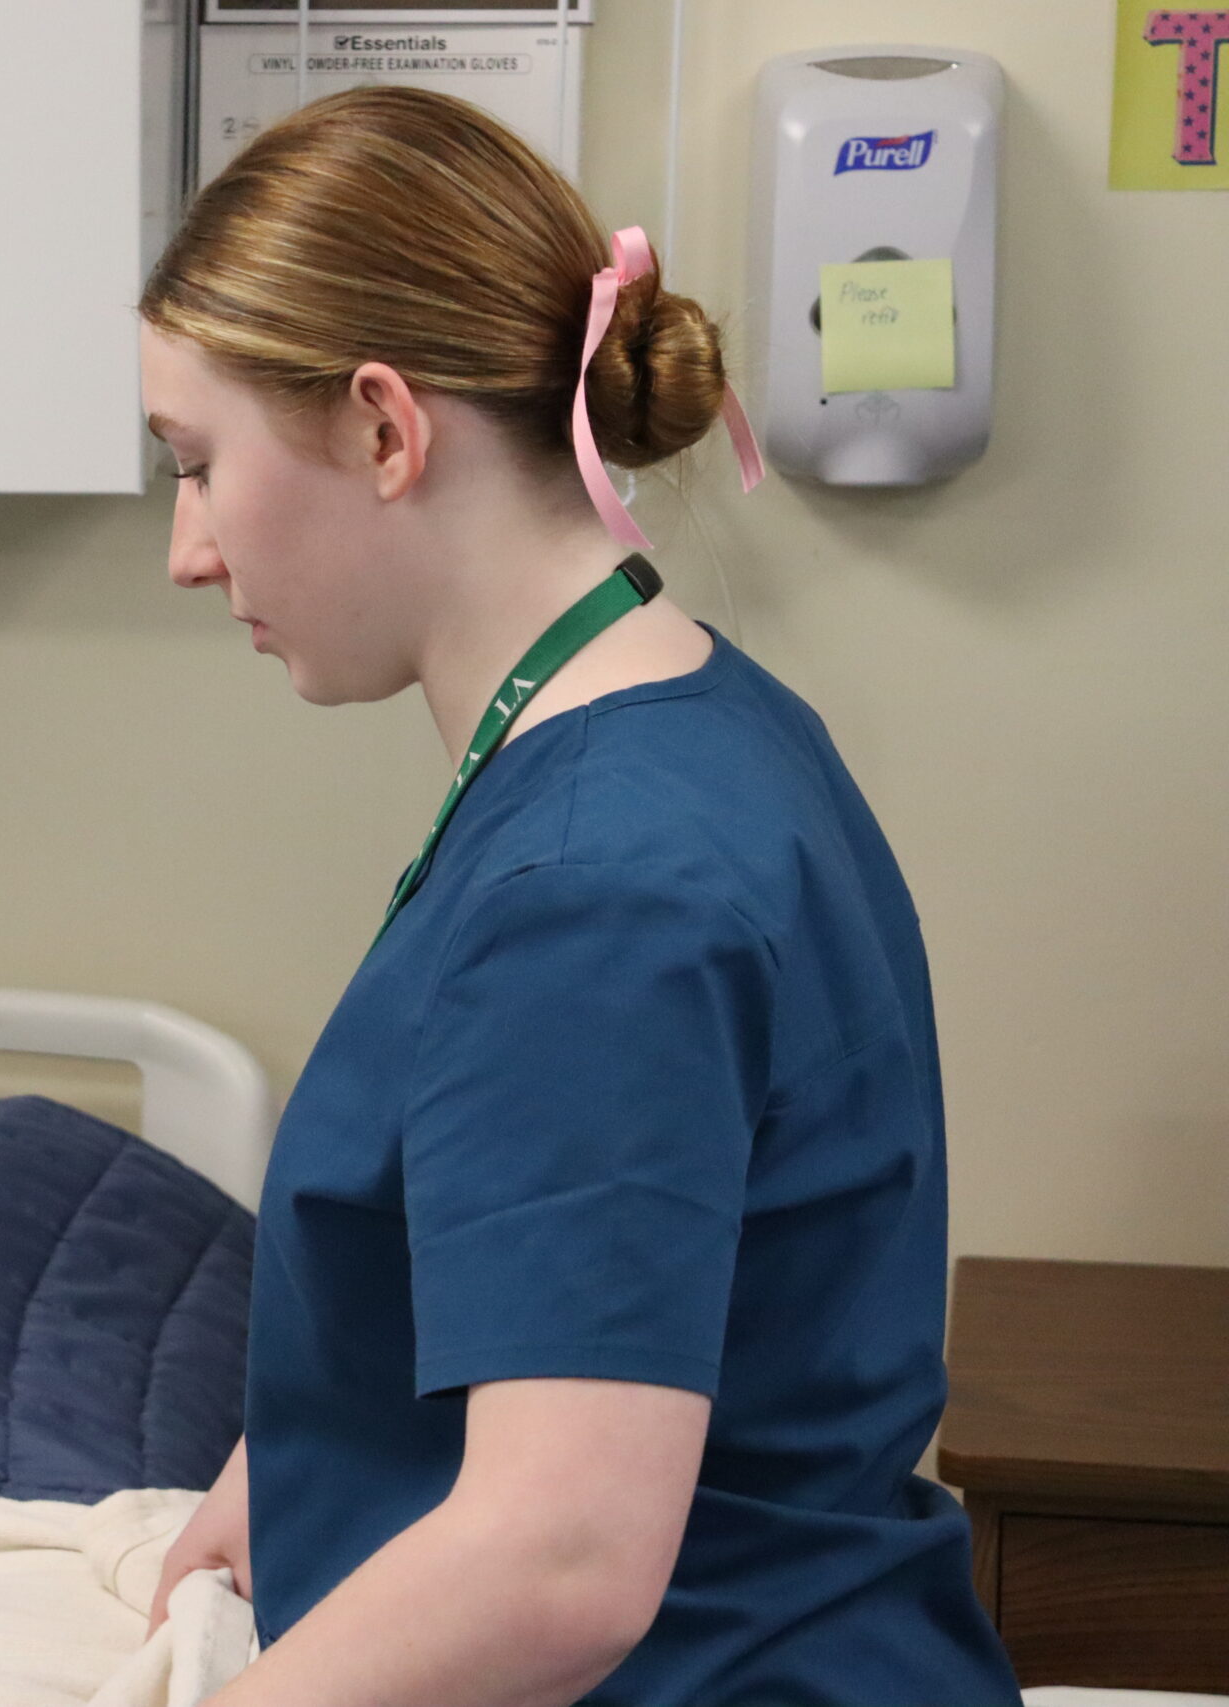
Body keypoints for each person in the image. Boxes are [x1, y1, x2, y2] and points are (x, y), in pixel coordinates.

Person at [136, 87, 1020, 1707]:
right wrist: (308, 1456)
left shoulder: (593, 887)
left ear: (387, 429)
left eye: (199, 465)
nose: (188, 549)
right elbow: (600, 1258)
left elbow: (554, 1568)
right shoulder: (694, 724)